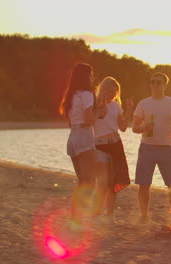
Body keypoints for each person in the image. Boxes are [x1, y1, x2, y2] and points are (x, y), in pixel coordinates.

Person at [132, 72, 171, 222]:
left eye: (159, 82)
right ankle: (143, 215)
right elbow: (134, 127)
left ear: (165, 86)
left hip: (166, 148)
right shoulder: (143, 103)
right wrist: (144, 127)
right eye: (152, 82)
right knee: (144, 184)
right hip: (147, 147)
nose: (155, 85)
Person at [58, 63, 98, 226]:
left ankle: (76, 218)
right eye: (91, 74)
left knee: (83, 181)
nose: (93, 77)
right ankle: (77, 218)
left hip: (73, 138)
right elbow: (89, 120)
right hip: (84, 137)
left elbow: (72, 121)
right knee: (89, 182)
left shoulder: (71, 95)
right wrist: (99, 113)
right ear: (85, 76)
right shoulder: (87, 94)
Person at [93, 76, 133, 223]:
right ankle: (96, 213)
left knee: (113, 182)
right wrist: (98, 111)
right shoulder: (94, 105)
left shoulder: (116, 106)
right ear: (102, 90)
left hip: (116, 144)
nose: (112, 94)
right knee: (102, 182)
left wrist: (129, 110)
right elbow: (89, 122)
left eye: (114, 92)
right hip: (100, 145)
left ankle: (109, 216)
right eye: (109, 91)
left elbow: (122, 127)